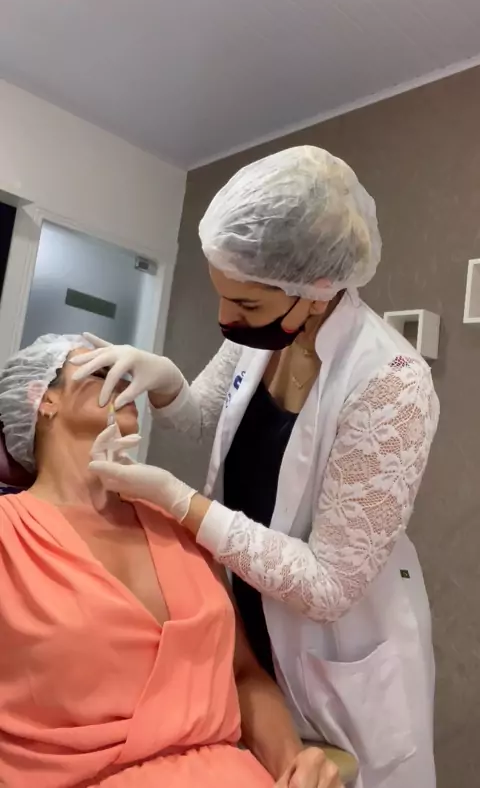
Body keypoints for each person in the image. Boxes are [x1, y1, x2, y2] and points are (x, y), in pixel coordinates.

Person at [74, 146, 439, 788]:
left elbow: (327, 585)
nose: (226, 320)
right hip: (250, 620)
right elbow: (202, 415)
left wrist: (184, 506)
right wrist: (166, 382)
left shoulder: (391, 386)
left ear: (316, 292)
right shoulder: (266, 330)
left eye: (244, 306)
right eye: (223, 297)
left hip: (335, 650)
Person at [0, 334, 342, 788]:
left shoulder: (177, 523)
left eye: (128, 374)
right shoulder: (9, 535)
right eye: (102, 371)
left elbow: (242, 675)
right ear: (44, 399)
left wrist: (294, 766)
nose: (127, 384)